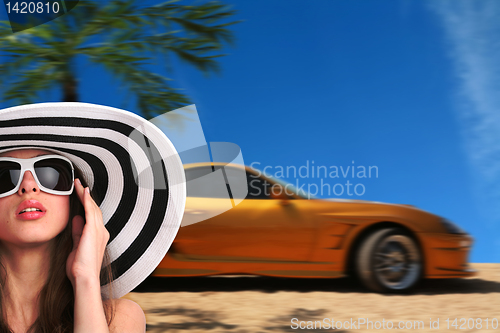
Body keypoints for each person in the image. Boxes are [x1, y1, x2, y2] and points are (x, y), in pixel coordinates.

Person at [0, 103, 186, 332]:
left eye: (51, 173)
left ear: (76, 198)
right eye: (5, 176)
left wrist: (86, 279)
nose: (29, 186)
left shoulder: (120, 320)